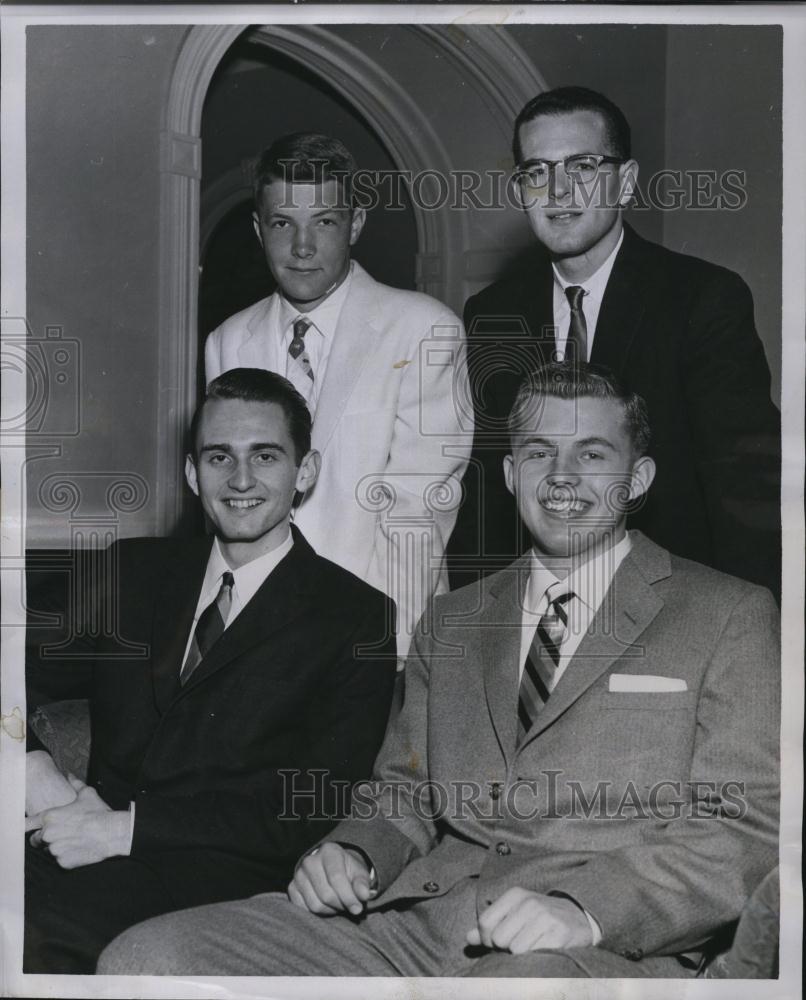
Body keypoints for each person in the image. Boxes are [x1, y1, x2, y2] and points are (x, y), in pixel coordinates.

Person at [98, 362, 779, 978]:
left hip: (591, 946)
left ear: (638, 479)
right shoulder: (453, 619)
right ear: (510, 475)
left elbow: (745, 824)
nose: (562, 476)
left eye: (592, 454)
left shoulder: (727, 614)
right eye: (538, 452)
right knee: (146, 958)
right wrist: (353, 852)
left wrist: (586, 907)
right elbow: (404, 792)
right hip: (414, 927)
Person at [24, 368, 397, 973]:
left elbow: (315, 802)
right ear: (193, 474)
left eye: (265, 456)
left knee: (34, 937)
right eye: (219, 456)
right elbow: (14, 667)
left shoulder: (355, 617)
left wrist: (127, 831)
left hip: (214, 892)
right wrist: (31, 768)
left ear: (306, 472)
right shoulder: (132, 572)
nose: (241, 479)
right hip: (68, 844)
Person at [449, 86, 780, 599]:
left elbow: (746, 487)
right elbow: (489, 487)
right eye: (536, 172)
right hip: (537, 607)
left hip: (673, 606)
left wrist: (749, 624)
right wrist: (480, 623)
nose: (558, 191)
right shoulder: (492, 314)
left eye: (581, 167)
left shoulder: (701, 299)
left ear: (625, 182)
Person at [205, 133, 471, 657]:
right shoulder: (228, 340)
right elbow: (229, 503)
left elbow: (417, 513)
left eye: (324, 222)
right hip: (253, 636)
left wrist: (382, 651)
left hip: (375, 633)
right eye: (283, 223)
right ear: (259, 230)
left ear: (356, 224)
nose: (302, 247)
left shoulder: (422, 329)